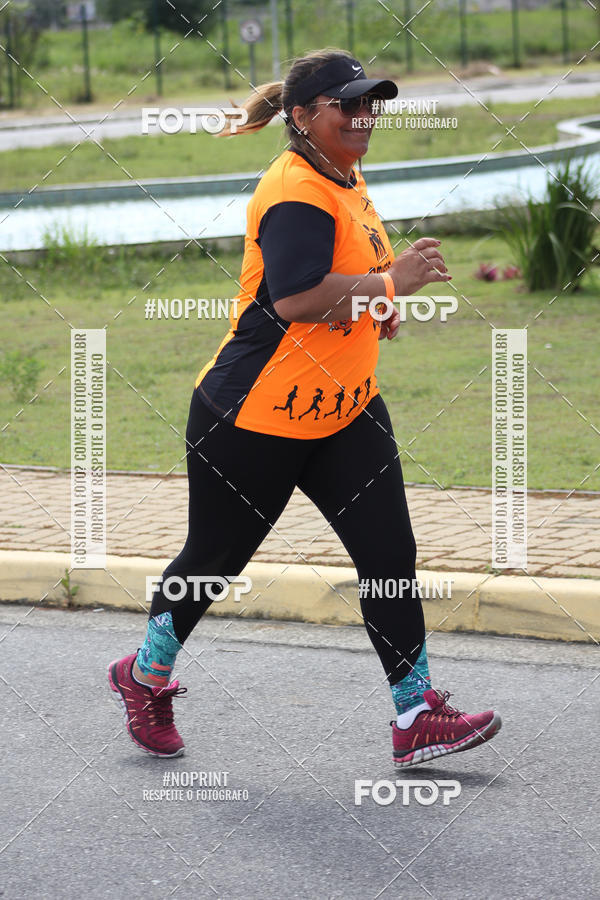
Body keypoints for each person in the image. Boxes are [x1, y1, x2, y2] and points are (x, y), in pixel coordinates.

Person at [108, 49, 501, 765]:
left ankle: (416, 714)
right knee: (213, 562)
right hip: (254, 419)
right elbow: (294, 299)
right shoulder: (294, 189)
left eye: (369, 103)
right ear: (301, 116)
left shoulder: (345, 172)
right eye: (346, 105)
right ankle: (144, 675)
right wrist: (390, 283)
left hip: (346, 412)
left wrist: (375, 303)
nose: (363, 116)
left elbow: (341, 277)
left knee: (389, 556)